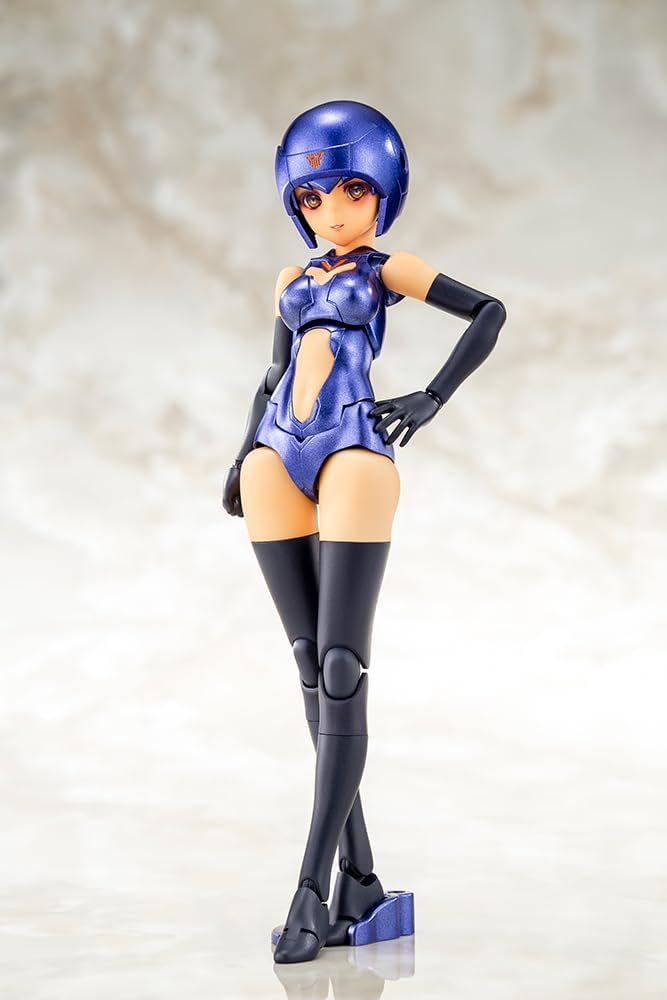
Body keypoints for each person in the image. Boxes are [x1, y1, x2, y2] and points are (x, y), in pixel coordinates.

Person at [222, 100, 506, 965]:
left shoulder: (388, 269)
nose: (333, 210)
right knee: (311, 668)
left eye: (352, 190)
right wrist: (239, 455)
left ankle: (311, 890)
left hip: (353, 448)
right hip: (275, 454)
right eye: (312, 197)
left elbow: (487, 312)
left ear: (382, 190)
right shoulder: (291, 278)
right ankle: (362, 881)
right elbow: (273, 370)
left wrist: (430, 396)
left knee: (342, 670)